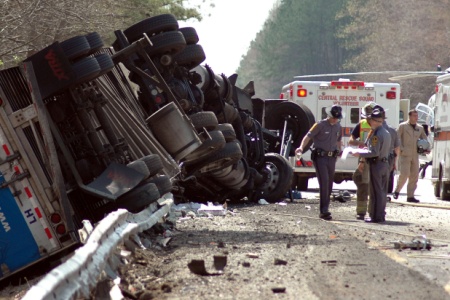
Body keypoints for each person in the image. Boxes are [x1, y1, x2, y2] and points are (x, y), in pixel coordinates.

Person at [295, 105, 343, 221]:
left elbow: (338, 140)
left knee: (330, 183)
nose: (335, 120)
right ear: (329, 115)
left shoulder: (338, 126)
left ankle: (326, 208)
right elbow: (308, 136)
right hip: (320, 157)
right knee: (324, 182)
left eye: (337, 118)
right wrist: (301, 147)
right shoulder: (320, 125)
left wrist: (340, 150)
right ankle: (324, 211)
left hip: (331, 158)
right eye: (334, 118)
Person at [352, 107, 391, 223]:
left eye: (371, 120)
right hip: (384, 164)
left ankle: (376, 216)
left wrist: (358, 153)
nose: (370, 122)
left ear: (375, 121)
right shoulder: (386, 132)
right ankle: (380, 215)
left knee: (376, 191)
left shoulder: (376, 134)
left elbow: (374, 152)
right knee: (382, 191)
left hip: (377, 164)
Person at [392, 109, 428, 203]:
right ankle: (397, 190)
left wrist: (426, 148)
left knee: (414, 176)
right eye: (414, 116)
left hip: (415, 155)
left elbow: (424, 139)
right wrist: (401, 149)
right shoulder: (403, 126)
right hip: (405, 155)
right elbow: (397, 138)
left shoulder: (420, 128)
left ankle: (410, 196)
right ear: (410, 116)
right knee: (404, 174)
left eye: (417, 116)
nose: (416, 118)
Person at [348, 102, 374, 220]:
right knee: (363, 185)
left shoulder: (380, 125)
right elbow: (351, 140)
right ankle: (361, 212)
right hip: (363, 158)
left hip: (375, 158)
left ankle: (373, 211)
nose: (369, 119)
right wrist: (359, 143)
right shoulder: (361, 124)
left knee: (374, 186)